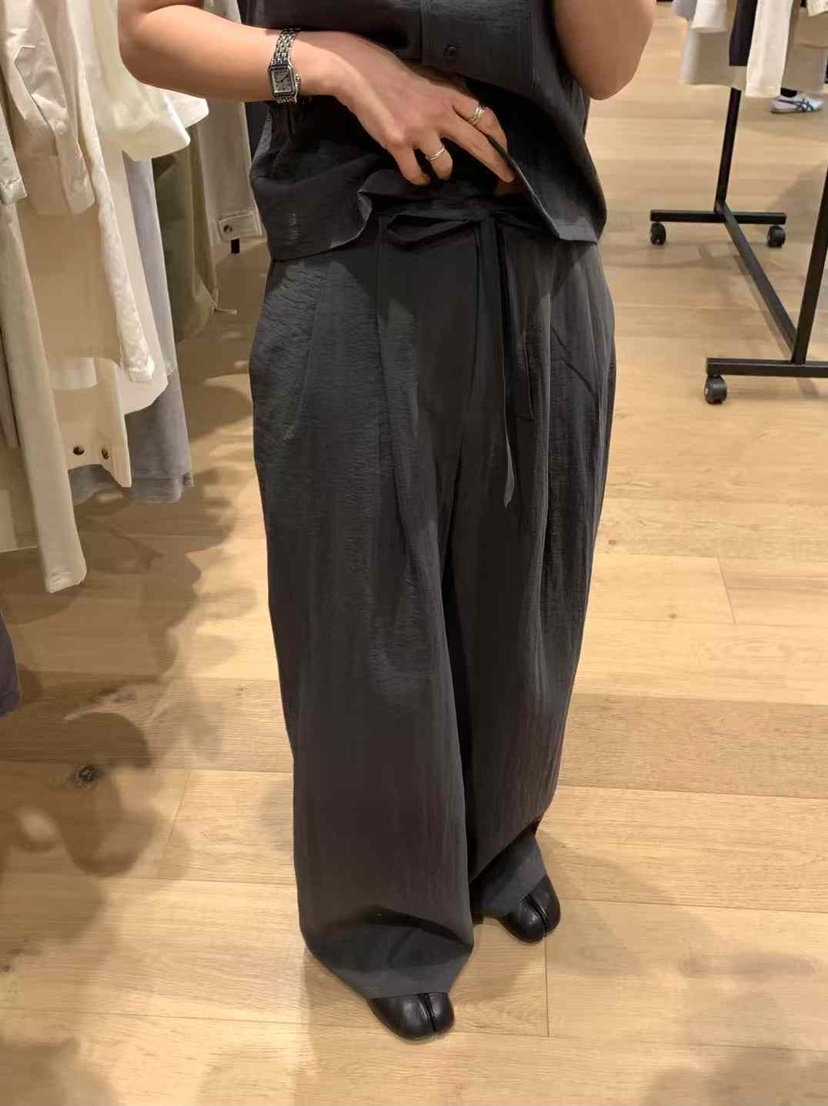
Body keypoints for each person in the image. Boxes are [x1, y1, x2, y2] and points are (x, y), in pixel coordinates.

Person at [119, 0, 655, 1042]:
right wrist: (326, 65)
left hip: (539, 249)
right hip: (349, 249)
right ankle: (383, 909)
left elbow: (612, 61)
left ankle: (498, 837)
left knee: (527, 594)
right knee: (364, 620)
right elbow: (146, 30)